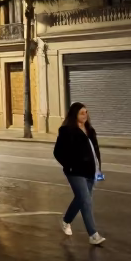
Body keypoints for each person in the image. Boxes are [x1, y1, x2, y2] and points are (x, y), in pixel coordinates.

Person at [54, 102, 106, 246]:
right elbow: (57, 152)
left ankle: (66, 220)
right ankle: (93, 234)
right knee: (86, 200)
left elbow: (95, 152)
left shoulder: (90, 130)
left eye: (86, 112)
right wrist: (69, 165)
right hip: (75, 172)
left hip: (91, 171)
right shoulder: (66, 130)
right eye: (82, 112)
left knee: (82, 198)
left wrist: (98, 170)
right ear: (74, 114)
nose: (85, 115)